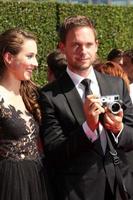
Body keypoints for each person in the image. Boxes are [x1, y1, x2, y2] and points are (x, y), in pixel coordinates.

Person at [40, 16, 133, 200]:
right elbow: (55, 153)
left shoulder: (117, 84)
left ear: (97, 45)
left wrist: (118, 128)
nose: (83, 51)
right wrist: (88, 128)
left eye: (89, 44)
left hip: (121, 186)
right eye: (76, 45)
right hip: (79, 191)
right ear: (62, 47)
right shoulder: (50, 95)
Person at [0, 28, 51, 200]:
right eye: (29, 56)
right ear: (8, 58)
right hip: (9, 182)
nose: (36, 63)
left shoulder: (33, 94)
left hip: (37, 177)